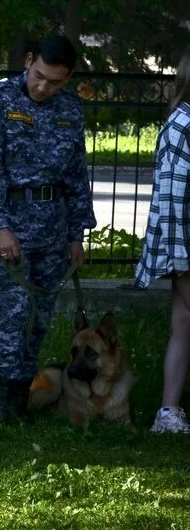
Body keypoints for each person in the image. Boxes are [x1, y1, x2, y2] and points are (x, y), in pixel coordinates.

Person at [0, 34, 96, 425]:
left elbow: (76, 176)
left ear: (67, 78)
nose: (43, 87)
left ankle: (21, 402)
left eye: (55, 81)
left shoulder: (70, 109)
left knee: (39, 316)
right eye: (39, 76)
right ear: (28, 61)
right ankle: (0, 405)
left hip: (54, 228)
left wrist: (77, 233)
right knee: (15, 310)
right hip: (13, 224)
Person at [134, 46, 190, 433]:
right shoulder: (183, 122)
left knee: (184, 323)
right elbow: (170, 199)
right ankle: (168, 413)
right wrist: (181, 260)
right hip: (187, 245)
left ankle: (168, 412)